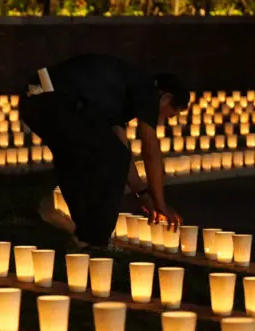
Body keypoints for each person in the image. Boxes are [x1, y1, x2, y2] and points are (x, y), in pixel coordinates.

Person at [18, 53, 190, 250]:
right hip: (55, 99)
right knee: (107, 158)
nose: (165, 119)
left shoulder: (118, 96)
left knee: (79, 159)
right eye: (170, 114)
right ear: (166, 97)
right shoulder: (148, 90)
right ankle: (95, 237)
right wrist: (160, 204)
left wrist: (143, 194)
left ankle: (86, 236)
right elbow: (150, 150)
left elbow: (121, 148)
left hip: (34, 98)